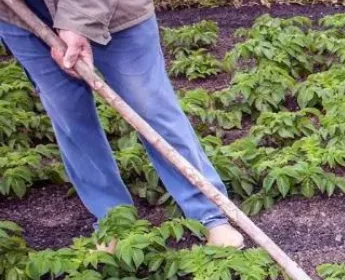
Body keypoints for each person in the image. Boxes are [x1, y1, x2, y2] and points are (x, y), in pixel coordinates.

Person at [0, 0, 244, 248]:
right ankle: (113, 221)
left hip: (113, 11)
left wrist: (77, 23)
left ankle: (210, 214)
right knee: (70, 118)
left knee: (151, 106)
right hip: (24, 16)